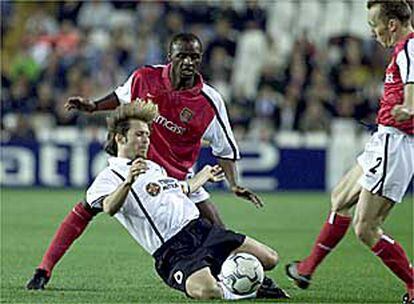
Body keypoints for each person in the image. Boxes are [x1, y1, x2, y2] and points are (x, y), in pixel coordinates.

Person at [27, 33, 263, 290]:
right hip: (141, 173)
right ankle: (44, 268)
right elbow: (122, 96)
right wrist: (93, 106)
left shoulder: (210, 101)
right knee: (85, 209)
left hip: (178, 179)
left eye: (194, 57)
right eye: (182, 55)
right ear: (169, 57)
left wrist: (233, 184)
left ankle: (248, 282)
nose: (188, 62)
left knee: (220, 233)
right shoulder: (144, 77)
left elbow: (225, 148)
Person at [79, 102, 289, 300]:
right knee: (207, 291)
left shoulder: (153, 167)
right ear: (120, 138)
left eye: (147, 135)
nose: (146, 140)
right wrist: (128, 181)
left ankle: (235, 279)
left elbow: (179, 189)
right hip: (174, 250)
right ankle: (249, 290)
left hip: (202, 230)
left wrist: (203, 177)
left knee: (270, 258)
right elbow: (109, 208)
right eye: (139, 134)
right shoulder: (108, 177)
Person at [285, 1, 414, 303]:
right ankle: (306, 269)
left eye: (375, 25)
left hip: (395, 144)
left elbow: (411, 95)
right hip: (384, 140)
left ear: (392, 24)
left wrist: (406, 108)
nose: (373, 32)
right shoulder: (404, 49)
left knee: (366, 228)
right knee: (339, 199)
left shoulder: (410, 49)